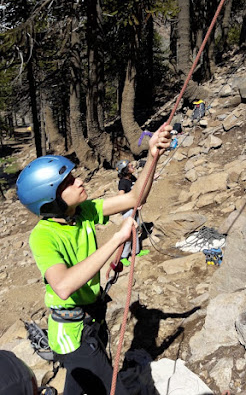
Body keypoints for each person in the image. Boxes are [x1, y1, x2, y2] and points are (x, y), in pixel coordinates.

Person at [16, 125, 172, 395]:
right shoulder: (43, 237)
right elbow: (63, 286)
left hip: (91, 320)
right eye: (68, 183)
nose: (79, 181)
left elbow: (136, 197)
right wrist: (116, 240)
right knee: (115, 390)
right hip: (72, 334)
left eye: (74, 176)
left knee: (78, 387)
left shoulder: (83, 211)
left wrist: (153, 154)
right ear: (50, 198)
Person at [116, 160, 150, 266]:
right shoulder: (123, 182)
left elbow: (139, 187)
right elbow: (120, 197)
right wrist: (132, 204)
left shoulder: (133, 178)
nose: (132, 166)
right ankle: (123, 256)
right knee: (130, 233)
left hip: (134, 208)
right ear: (125, 170)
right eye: (130, 166)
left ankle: (136, 252)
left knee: (136, 230)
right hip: (128, 210)